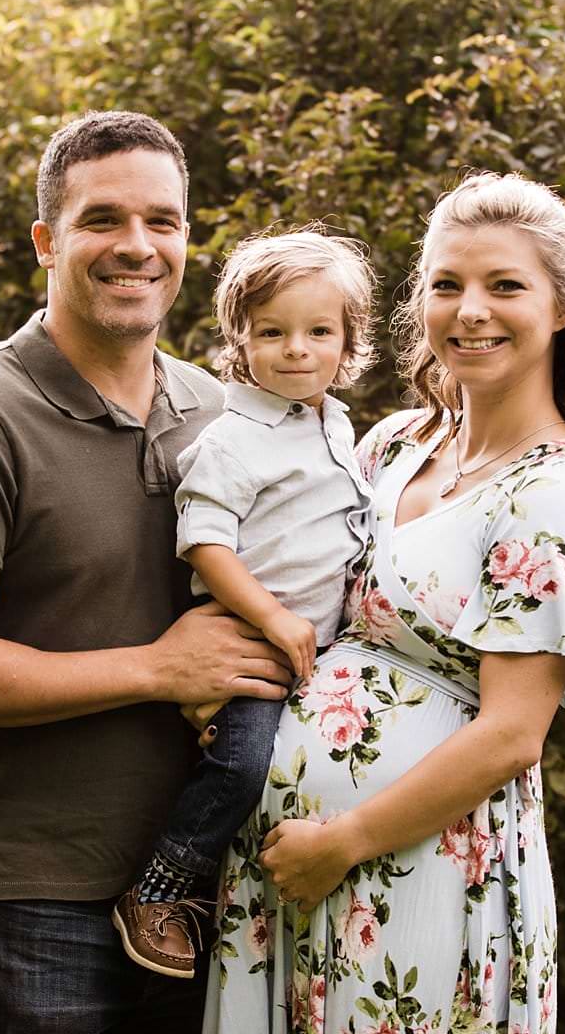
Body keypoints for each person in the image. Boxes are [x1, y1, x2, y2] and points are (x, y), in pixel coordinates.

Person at [0, 109, 296, 1034]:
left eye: (165, 221)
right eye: (103, 219)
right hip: (28, 903)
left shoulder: (226, 414)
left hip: (199, 903)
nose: (138, 247)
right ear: (46, 241)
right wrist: (157, 668)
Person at [201, 172, 565, 1034]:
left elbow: (513, 734)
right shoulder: (394, 444)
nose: (470, 310)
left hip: (417, 869)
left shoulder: (558, 493)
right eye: (447, 284)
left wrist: (344, 840)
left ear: (563, 308)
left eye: (505, 286)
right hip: (288, 869)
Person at [115, 229, 379, 980]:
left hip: (322, 651)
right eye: (273, 332)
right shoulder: (231, 439)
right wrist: (270, 617)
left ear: (346, 340)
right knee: (241, 764)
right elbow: (205, 545)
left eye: (318, 331)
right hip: (251, 641)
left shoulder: (332, 422)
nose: (297, 349)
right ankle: (161, 887)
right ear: (240, 338)